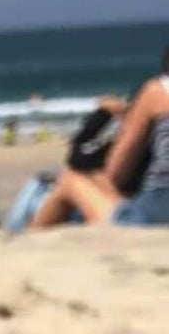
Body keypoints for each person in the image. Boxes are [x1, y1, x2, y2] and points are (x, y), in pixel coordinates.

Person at [29, 49, 169, 228]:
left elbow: (117, 173)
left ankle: (26, 240)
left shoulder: (157, 91)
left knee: (70, 179)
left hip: (156, 214)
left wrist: (119, 116)